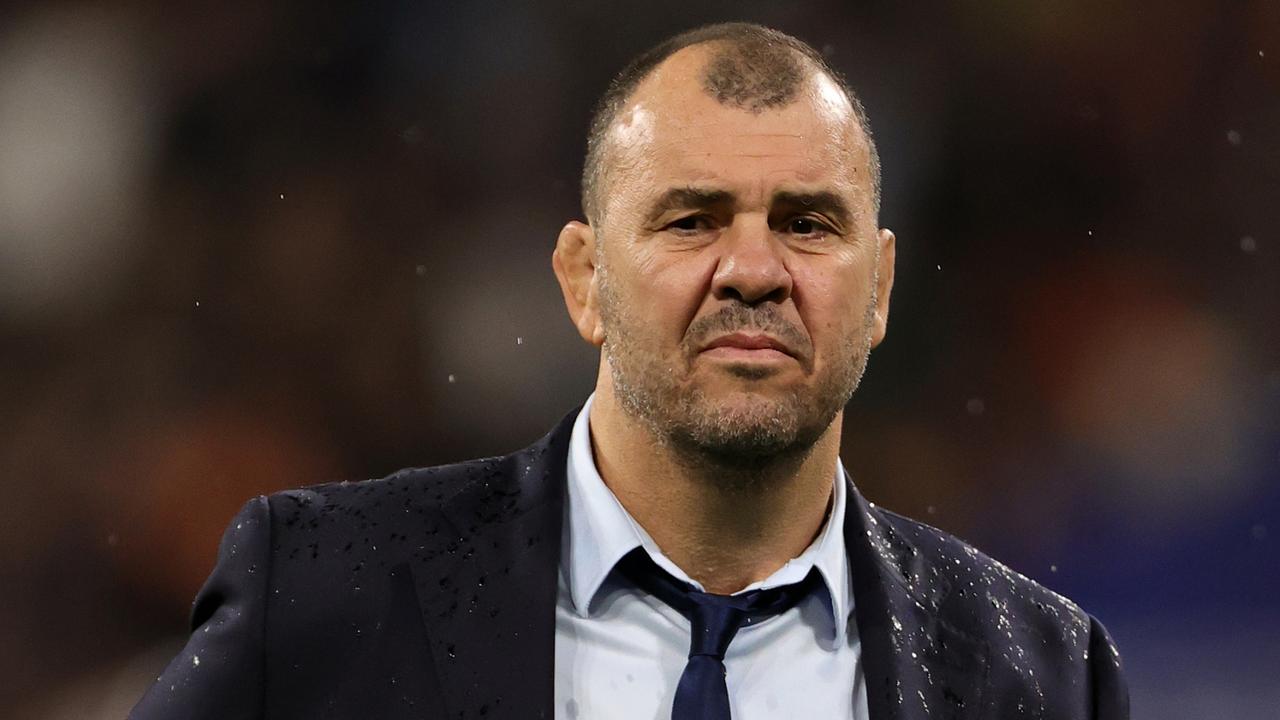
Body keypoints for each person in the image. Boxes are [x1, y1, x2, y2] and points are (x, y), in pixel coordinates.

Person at [131, 22, 1128, 720]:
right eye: (690, 219)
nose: (752, 270)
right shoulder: (325, 592)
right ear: (584, 281)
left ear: (878, 289)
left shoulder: (1035, 671)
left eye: (806, 223)